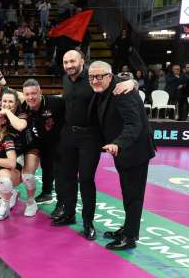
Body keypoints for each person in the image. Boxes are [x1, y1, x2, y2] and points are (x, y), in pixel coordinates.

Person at [52, 50, 134, 242]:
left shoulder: (93, 77)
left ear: (82, 61)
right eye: (65, 62)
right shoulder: (66, 79)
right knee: (68, 178)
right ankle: (69, 213)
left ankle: (88, 222)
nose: (69, 65)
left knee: (86, 180)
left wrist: (133, 81)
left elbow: (119, 81)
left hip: (90, 137)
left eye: (72, 61)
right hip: (68, 136)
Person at [87, 61, 155, 250]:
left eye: (100, 76)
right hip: (122, 152)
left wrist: (118, 143)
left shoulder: (123, 91)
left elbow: (134, 125)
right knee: (127, 193)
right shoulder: (105, 87)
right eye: (92, 77)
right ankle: (127, 228)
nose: (95, 80)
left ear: (110, 75)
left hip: (135, 151)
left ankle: (130, 237)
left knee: (133, 196)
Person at [20, 79, 65, 217]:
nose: (30, 97)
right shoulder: (25, 106)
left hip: (59, 141)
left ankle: (62, 204)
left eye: (34, 93)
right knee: (46, 167)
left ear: (40, 92)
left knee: (60, 173)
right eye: (27, 94)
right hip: (41, 141)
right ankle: (46, 192)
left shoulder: (55, 103)